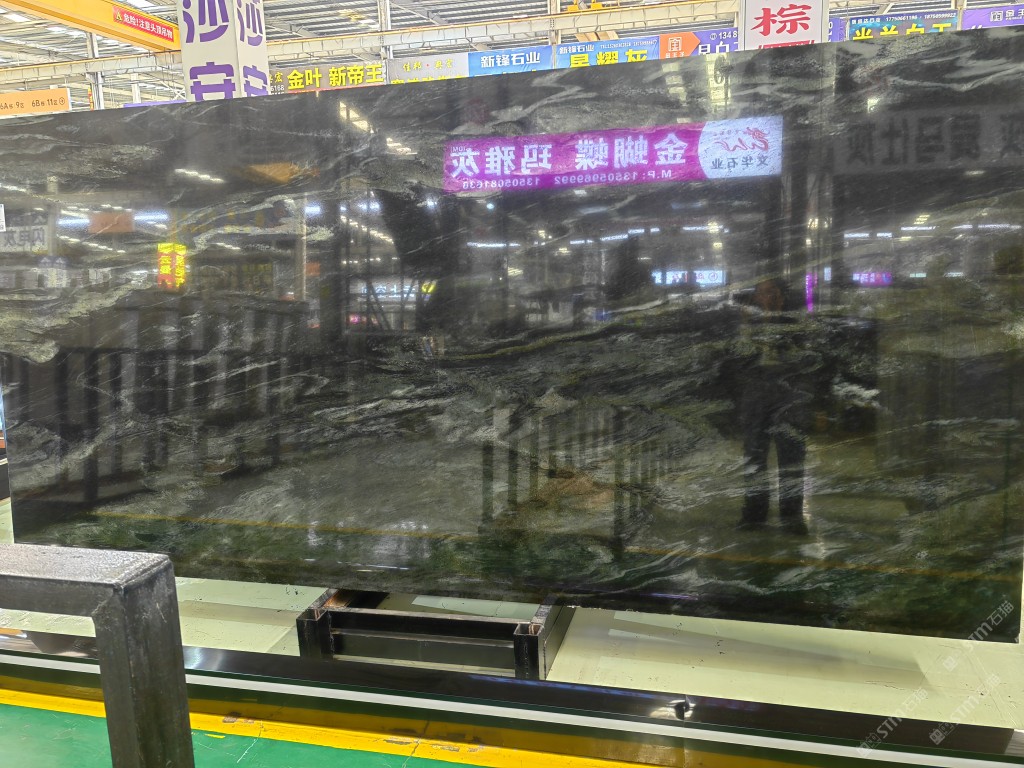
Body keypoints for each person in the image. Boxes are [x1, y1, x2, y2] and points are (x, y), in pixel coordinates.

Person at [734, 278, 818, 534]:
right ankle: (754, 513)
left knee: (791, 456)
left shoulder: (796, 321)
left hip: (788, 395)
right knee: (754, 456)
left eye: (772, 292)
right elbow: (737, 358)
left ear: (782, 296)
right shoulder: (748, 323)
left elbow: (807, 358)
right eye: (761, 293)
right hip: (756, 394)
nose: (766, 298)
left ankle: (791, 517)